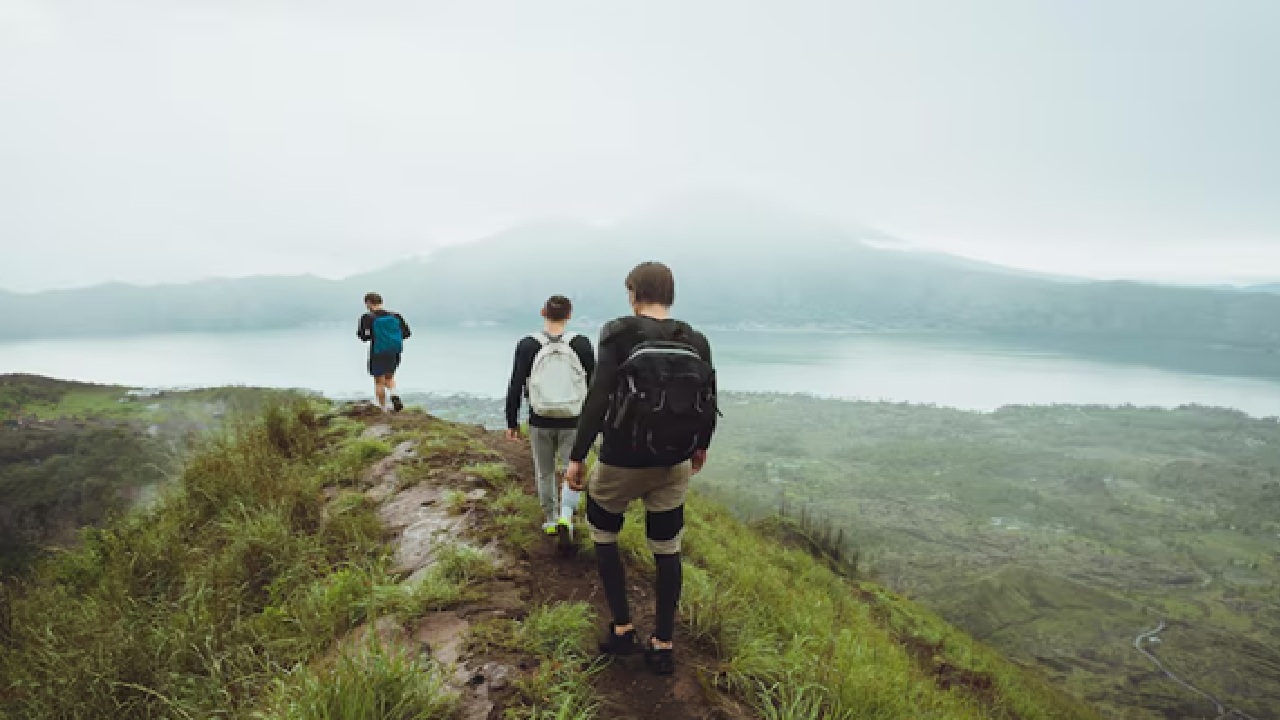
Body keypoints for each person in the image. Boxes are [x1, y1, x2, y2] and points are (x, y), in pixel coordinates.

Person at [564, 262, 717, 676]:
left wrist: (577, 455)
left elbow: (598, 398)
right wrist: (700, 447)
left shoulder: (618, 332)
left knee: (605, 534)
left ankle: (622, 628)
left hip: (621, 459)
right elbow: (708, 396)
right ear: (670, 294)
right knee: (667, 549)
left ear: (633, 293)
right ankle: (663, 643)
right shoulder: (696, 339)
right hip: (673, 461)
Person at [505, 295, 596, 552]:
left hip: (540, 419)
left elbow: (515, 385)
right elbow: (595, 385)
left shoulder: (527, 344)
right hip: (573, 420)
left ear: (543, 312)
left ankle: (551, 520)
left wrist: (512, 421)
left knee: (544, 470)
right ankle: (567, 515)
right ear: (569, 314)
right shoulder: (581, 344)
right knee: (572, 469)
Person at [357, 292, 411, 413]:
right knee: (390, 377)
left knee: (379, 381)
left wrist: (374, 336)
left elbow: (363, 337)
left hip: (378, 352)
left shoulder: (368, 317)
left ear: (369, 303)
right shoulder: (396, 316)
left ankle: (383, 408)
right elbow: (407, 333)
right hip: (394, 351)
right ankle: (394, 395)